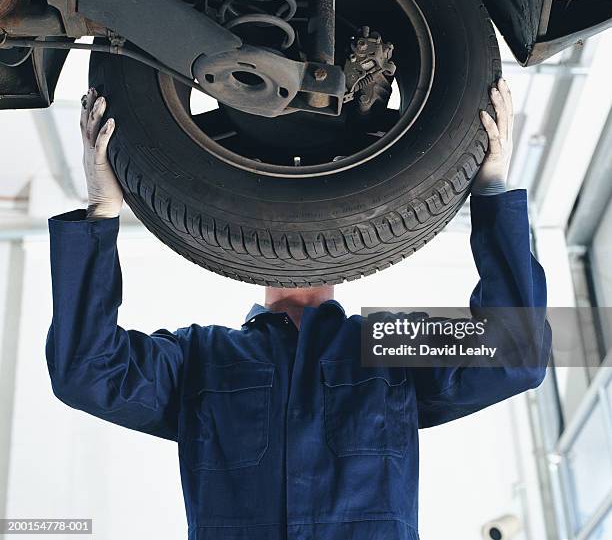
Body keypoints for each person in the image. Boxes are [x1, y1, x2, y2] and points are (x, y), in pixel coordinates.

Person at [46, 79, 551, 540]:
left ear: (350, 243)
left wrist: (491, 191)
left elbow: (514, 356)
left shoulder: (385, 347)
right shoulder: (202, 360)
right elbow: (86, 372)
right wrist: (101, 211)